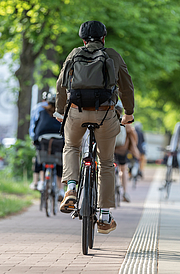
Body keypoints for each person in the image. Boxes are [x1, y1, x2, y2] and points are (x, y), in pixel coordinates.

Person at [55, 21, 134, 234]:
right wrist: (129, 112)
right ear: (103, 39)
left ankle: (71, 188)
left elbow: (61, 84)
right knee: (107, 161)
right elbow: (126, 86)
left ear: (83, 40)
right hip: (106, 113)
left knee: (71, 146)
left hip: (76, 111)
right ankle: (105, 216)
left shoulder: (74, 54)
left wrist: (60, 111)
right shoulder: (113, 55)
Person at [32, 93, 65, 200]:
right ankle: (61, 189)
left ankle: (41, 181)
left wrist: (35, 140)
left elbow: (36, 128)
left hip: (43, 138)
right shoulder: (62, 113)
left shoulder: (41, 111)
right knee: (60, 160)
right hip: (59, 139)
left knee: (41, 154)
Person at [114, 103, 140, 203]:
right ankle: (125, 192)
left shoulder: (107, 119)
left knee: (107, 167)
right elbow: (133, 135)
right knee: (123, 169)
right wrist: (133, 146)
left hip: (110, 149)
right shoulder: (125, 120)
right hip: (122, 150)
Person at [29, 92, 48, 191]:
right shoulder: (59, 108)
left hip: (41, 138)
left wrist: (33, 139)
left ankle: (36, 182)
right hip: (58, 139)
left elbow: (33, 124)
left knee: (39, 156)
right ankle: (60, 188)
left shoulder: (38, 108)